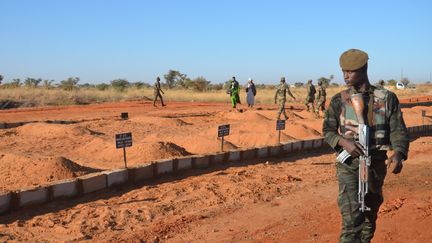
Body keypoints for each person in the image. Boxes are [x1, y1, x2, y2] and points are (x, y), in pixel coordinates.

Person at [323, 49, 409, 243]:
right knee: (352, 219)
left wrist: (398, 154)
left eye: (350, 71)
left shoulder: (386, 98)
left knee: (370, 216)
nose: (345, 76)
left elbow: (398, 130)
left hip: (376, 165)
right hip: (349, 166)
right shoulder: (339, 100)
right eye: (343, 71)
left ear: (364, 69)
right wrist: (343, 142)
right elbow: (327, 130)